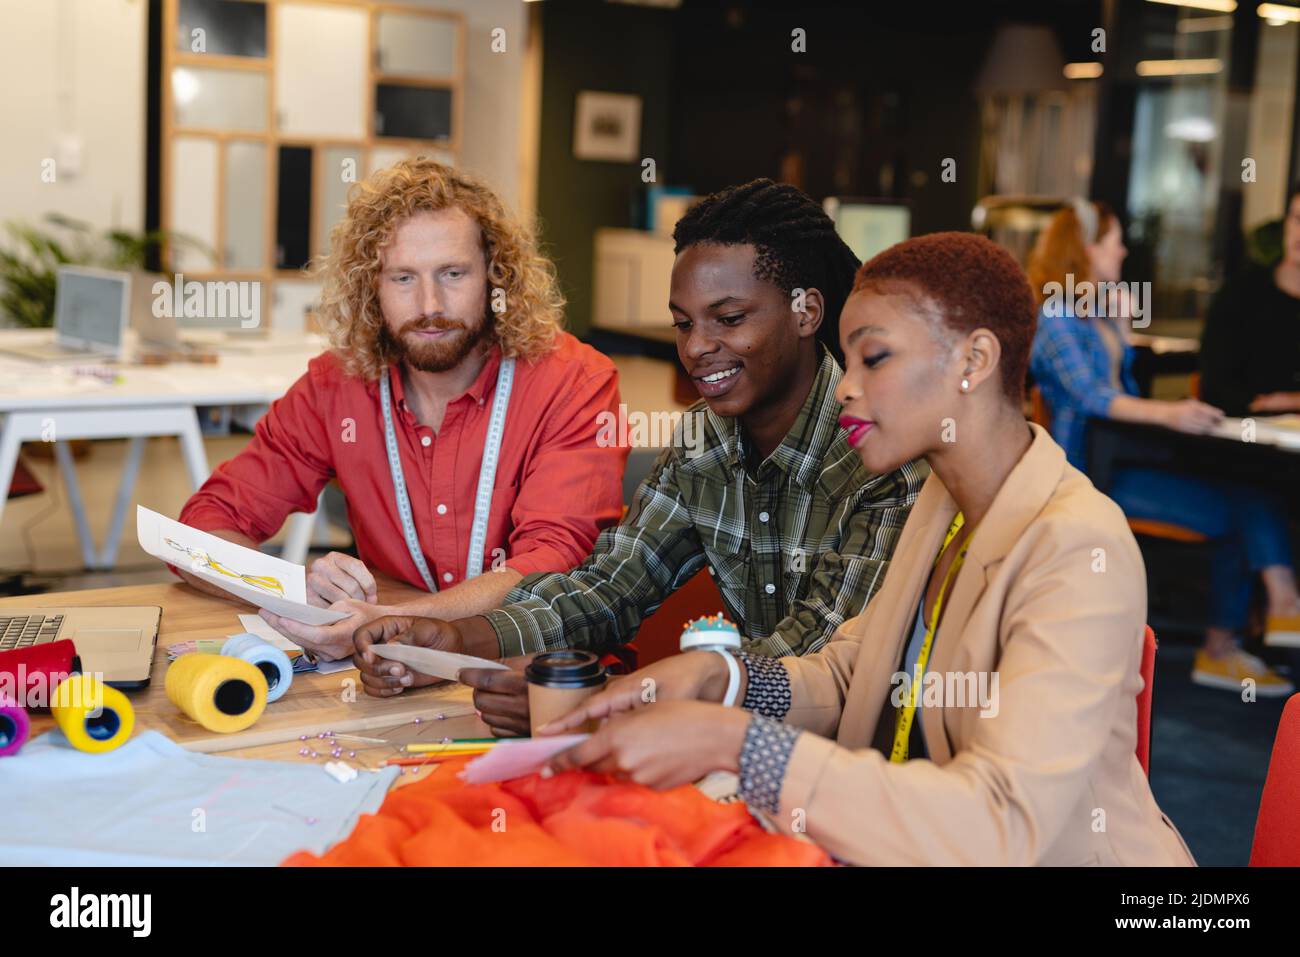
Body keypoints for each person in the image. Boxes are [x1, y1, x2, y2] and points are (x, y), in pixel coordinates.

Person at [540, 232, 1197, 867]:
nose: (846, 386)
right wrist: (724, 677)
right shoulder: (943, 500)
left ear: (974, 360)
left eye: (874, 358)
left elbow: (1003, 823)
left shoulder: (1077, 546)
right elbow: (854, 674)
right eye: (846, 361)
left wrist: (737, 743)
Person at [351, 179, 928, 735]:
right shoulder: (704, 439)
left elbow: (812, 665)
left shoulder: (884, 455)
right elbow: (611, 589)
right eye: (683, 324)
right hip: (723, 750)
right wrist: (462, 639)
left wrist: (595, 704)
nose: (697, 347)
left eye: (728, 319)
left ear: (805, 312)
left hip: (863, 772)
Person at [176, 158, 628, 659]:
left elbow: (552, 564)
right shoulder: (337, 385)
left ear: (496, 278)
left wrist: (393, 622)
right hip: (391, 666)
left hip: (530, 663)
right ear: (372, 288)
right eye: (403, 278)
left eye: (453, 273)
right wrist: (295, 593)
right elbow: (204, 526)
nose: (429, 304)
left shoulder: (573, 382)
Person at [1029, 200, 1298, 689]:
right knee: (1238, 509)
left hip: (1122, 459)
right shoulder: (1055, 314)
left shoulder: (1090, 311)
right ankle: (1235, 640)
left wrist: (1120, 324)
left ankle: (1267, 617)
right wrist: (1171, 413)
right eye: (1114, 241)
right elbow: (1092, 396)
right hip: (1088, 472)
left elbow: (1120, 381)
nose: (1124, 250)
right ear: (1086, 248)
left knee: (1248, 490)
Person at [1200, 181, 1300, 417]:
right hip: (1245, 436)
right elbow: (1215, 386)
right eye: (1297, 219)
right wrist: (1268, 405)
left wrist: (1289, 401)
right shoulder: (1240, 295)